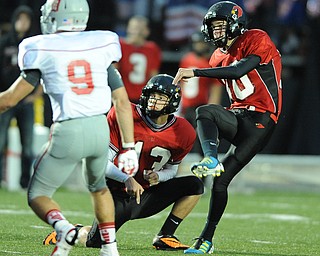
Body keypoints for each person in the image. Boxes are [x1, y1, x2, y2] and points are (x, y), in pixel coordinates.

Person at [0, 1, 138, 256]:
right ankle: (110, 249)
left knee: (38, 194)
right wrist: (128, 147)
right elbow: (121, 101)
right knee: (99, 188)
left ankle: (64, 229)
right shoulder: (100, 44)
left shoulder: (41, 46)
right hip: (99, 129)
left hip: (69, 130)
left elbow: (9, 99)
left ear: (55, 17)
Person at [43, 74, 204, 251]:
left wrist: (159, 176)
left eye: (160, 98)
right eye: (152, 96)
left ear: (172, 102)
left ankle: (165, 236)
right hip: (117, 192)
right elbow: (101, 162)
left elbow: (172, 170)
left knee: (194, 185)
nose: (153, 101)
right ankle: (68, 232)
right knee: (94, 241)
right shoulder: (125, 114)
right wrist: (126, 178)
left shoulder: (183, 131)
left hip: (146, 193)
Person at [173, 1, 282, 254]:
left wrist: (197, 72)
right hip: (239, 116)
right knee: (219, 180)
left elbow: (239, 70)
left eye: (220, 25)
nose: (216, 31)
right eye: (213, 27)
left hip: (261, 121)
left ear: (235, 23)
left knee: (207, 111)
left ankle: (212, 159)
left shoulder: (256, 37)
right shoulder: (216, 56)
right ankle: (206, 241)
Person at [0, 5, 41, 189]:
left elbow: (43, 73)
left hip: (25, 101)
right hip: (6, 99)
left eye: (26, 19)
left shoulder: (34, 45)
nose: (22, 23)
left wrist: (36, 95)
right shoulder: (4, 43)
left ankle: (25, 183)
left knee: (28, 144)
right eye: (20, 18)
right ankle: (1, 180)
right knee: (0, 141)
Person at [179, 31, 222, 156]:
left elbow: (216, 89)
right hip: (186, 107)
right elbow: (181, 84)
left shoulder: (211, 63)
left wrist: (211, 112)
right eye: (197, 43)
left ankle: (205, 169)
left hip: (201, 106)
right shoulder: (186, 59)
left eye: (202, 43)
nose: (199, 46)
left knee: (202, 141)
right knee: (180, 141)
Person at [115, 15, 162, 104]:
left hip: (142, 98)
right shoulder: (119, 45)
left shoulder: (152, 49)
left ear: (146, 31)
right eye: (133, 28)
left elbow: (153, 76)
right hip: (122, 97)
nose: (135, 32)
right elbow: (114, 72)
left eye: (139, 29)